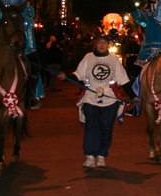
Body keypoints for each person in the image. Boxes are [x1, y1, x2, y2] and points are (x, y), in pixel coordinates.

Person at [57, 35, 139, 169]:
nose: (102, 45)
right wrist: (66, 77)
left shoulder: (113, 59)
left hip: (109, 100)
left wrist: (133, 96)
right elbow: (78, 75)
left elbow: (124, 80)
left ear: (108, 45)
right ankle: (89, 156)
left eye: (104, 43)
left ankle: (101, 156)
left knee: (106, 129)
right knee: (91, 128)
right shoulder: (88, 57)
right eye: (99, 43)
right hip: (90, 99)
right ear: (95, 44)